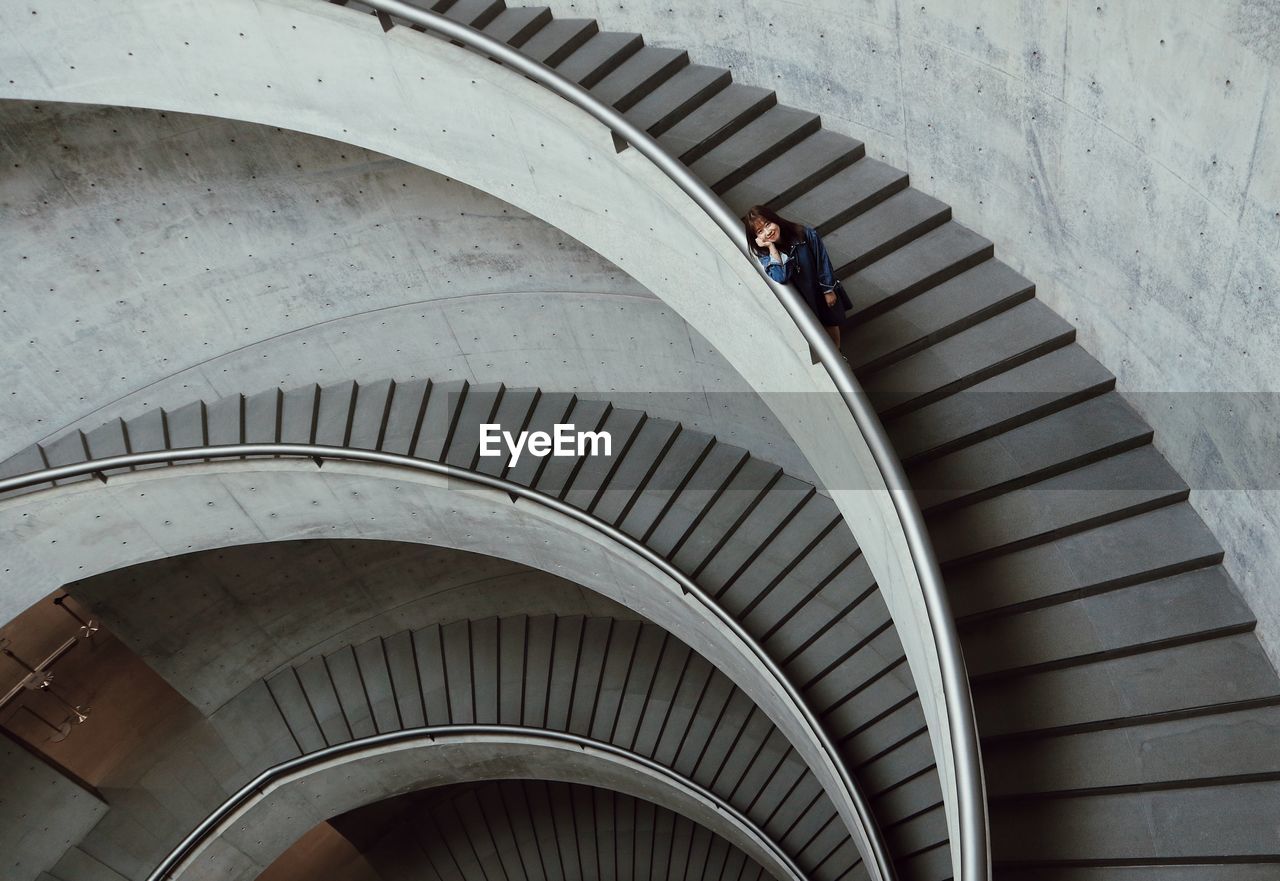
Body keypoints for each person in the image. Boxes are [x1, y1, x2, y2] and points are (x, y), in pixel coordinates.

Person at [744, 205, 852, 350]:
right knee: (814, 331)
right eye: (760, 231)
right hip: (802, 298)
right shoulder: (765, 255)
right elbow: (781, 276)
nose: (767, 232)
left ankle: (838, 354)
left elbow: (822, 260)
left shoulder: (804, 234)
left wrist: (828, 289)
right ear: (756, 237)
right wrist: (771, 247)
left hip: (818, 289)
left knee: (830, 322)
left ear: (775, 220)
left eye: (768, 224)